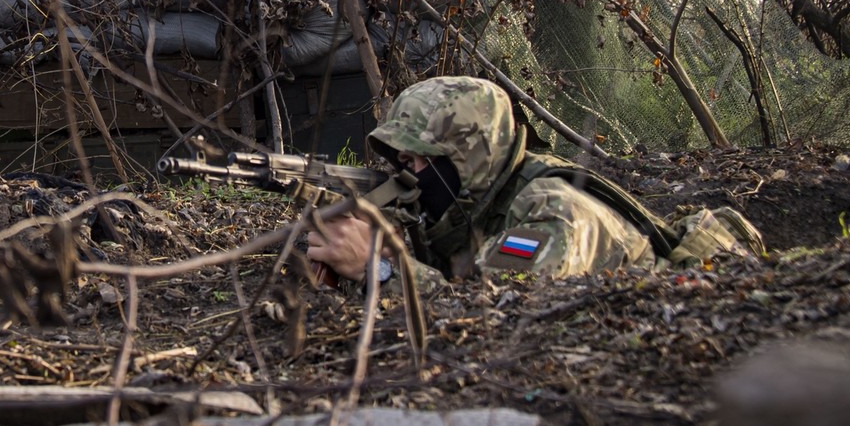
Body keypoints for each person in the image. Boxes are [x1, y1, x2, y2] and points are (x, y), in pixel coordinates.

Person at [306, 76, 760, 285]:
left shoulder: (551, 211)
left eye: (416, 161)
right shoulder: (483, 201)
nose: (408, 177)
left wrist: (379, 269)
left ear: (468, 158)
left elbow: (491, 313)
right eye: (401, 161)